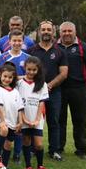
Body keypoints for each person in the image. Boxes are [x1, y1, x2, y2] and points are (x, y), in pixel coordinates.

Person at [28, 20, 68, 161]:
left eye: (48, 30)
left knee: (54, 121)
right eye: (43, 29)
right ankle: (32, 149)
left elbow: (63, 73)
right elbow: (27, 71)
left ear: (53, 32)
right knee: (33, 120)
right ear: (39, 32)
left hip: (54, 92)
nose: (46, 32)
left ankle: (54, 150)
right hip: (34, 92)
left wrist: (49, 85)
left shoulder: (60, 51)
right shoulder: (31, 51)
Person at [57, 21, 86, 159]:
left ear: (75, 32)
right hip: (59, 90)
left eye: (69, 31)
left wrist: (83, 81)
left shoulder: (84, 48)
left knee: (80, 120)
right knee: (59, 120)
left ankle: (81, 150)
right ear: (60, 32)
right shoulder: (55, 47)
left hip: (78, 89)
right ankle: (58, 148)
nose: (67, 33)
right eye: (64, 31)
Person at [17, 56, 51, 169]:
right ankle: (28, 167)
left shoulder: (42, 84)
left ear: (38, 70)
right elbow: (18, 103)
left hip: (37, 118)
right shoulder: (19, 83)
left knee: (38, 144)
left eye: (34, 70)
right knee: (26, 141)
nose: (31, 72)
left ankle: (40, 166)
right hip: (24, 117)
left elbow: (42, 103)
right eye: (29, 69)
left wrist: (37, 119)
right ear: (25, 68)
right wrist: (24, 119)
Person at [0, 62, 23, 169]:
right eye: (5, 76)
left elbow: (20, 108)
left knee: (8, 145)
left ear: (13, 78)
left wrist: (20, 122)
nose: (7, 79)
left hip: (13, 122)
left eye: (10, 77)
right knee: (3, 130)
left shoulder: (15, 92)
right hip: (1, 119)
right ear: (0, 75)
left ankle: (4, 166)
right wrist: (3, 120)